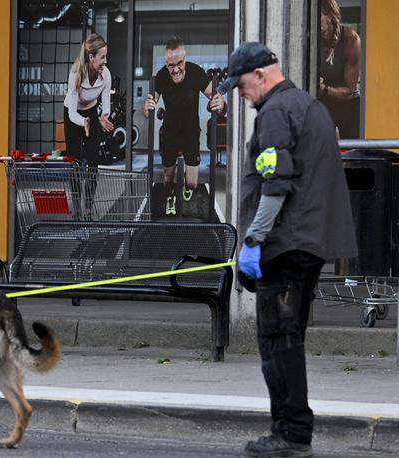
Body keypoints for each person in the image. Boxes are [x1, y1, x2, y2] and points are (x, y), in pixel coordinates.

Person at [218, 42, 358, 457]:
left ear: (261, 75)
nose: (239, 94)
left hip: (283, 246)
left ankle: (292, 433)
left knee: (278, 341)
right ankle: (293, 430)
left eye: (240, 85)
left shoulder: (277, 112)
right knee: (288, 338)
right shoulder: (312, 108)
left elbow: (275, 184)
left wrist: (253, 242)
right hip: (308, 245)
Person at [142, 37, 225, 216]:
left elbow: (215, 96)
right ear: (166, 63)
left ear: (184, 60)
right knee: (167, 177)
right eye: (171, 65)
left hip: (191, 130)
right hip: (170, 131)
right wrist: (147, 106)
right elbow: (149, 106)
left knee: (193, 183)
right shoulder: (162, 76)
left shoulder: (196, 72)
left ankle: (187, 186)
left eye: (179, 63)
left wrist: (220, 102)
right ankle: (170, 195)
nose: (176, 69)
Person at [63, 33, 114, 220]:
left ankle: (89, 210)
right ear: (91, 57)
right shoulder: (77, 73)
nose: (105, 61)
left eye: (106, 56)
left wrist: (103, 116)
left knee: (93, 162)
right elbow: (72, 113)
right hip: (73, 115)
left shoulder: (105, 74)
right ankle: (77, 209)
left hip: (92, 112)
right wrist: (83, 122)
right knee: (75, 163)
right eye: (102, 57)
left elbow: (106, 103)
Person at [319, 0, 361, 139]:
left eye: (316, 16)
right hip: (322, 104)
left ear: (328, 16)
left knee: (352, 152)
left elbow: (349, 91)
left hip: (348, 105)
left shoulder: (351, 39)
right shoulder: (311, 37)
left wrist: (323, 89)